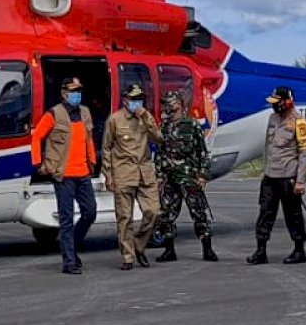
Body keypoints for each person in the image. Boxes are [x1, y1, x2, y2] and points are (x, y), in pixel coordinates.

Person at [31, 77, 98, 275]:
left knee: (90, 212)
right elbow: (37, 137)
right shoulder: (53, 114)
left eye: (79, 91)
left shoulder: (85, 112)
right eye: (73, 91)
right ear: (64, 93)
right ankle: (69, 261)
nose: (77, 94)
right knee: (66, 218)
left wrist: (92, 161)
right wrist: (38, 164)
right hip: (63, 175)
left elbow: (89, 139)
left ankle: (72, 247)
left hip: (83, 173)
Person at [247, 86, 306, 265]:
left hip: (288, 176)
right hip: (270, 175)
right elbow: (268, 146)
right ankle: (261, 250)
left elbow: (304, 153)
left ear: (287, 102)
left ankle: (299, 250)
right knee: (265, 212)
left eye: (278, 102)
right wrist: (265, 170)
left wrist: (300, 181)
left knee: (293, 214)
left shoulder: (299, 122)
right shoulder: (272, 118)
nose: (274, 105)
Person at [103, 84, 162, 270]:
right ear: (125, 100)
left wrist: (147, 118)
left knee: (153, 211)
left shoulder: (146, 117)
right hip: (123, 172)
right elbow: (106, 148)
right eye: (134, 99)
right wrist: (108, 174)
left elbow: (159, 138)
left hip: (145, 172)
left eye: (140, 99)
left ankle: (139, 244)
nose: (138, 103)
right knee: (124, 217)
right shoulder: (115, 119)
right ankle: (128, 256)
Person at [155, 91, 217, 263]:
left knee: (199, 213)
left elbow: (203, 152)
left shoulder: (192, 125)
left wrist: (203, 175)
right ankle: (169, 250)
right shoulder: (164, 126)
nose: (166, 107)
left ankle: (207, 249)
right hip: (170, 178)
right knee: (166, 215)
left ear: (178, 104)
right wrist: (159, 175)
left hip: (189, 177)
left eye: (169, 103)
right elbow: (160, 153)